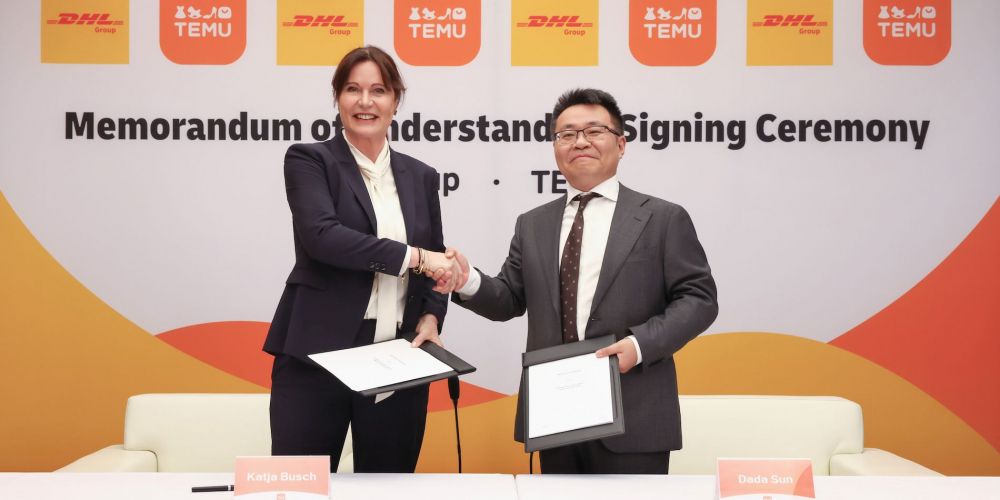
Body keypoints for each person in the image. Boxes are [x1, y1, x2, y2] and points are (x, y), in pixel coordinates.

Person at [443, 88, 718, 474]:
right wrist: (466, 280)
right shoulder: (533, 224)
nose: (580, 142)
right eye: (567, 134)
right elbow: (508, 298)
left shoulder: (662, 218)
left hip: (633, 413)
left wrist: (639, 345)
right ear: (556, 148)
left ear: (621, 144)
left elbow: (699, 299)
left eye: (594, 131)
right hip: (556, 415)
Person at [263, 46, 461, 473]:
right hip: (318, 352)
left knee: (388, 485)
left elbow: (436, 257)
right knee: (300, 483)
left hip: (399, 355)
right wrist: (416, 257)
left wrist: (431, 318)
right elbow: (323, 238)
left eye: (379, 90)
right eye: (353, 89)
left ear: (396, 100)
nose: (365, 101)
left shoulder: (421, 175)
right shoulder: (310, 160)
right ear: (337, 98)